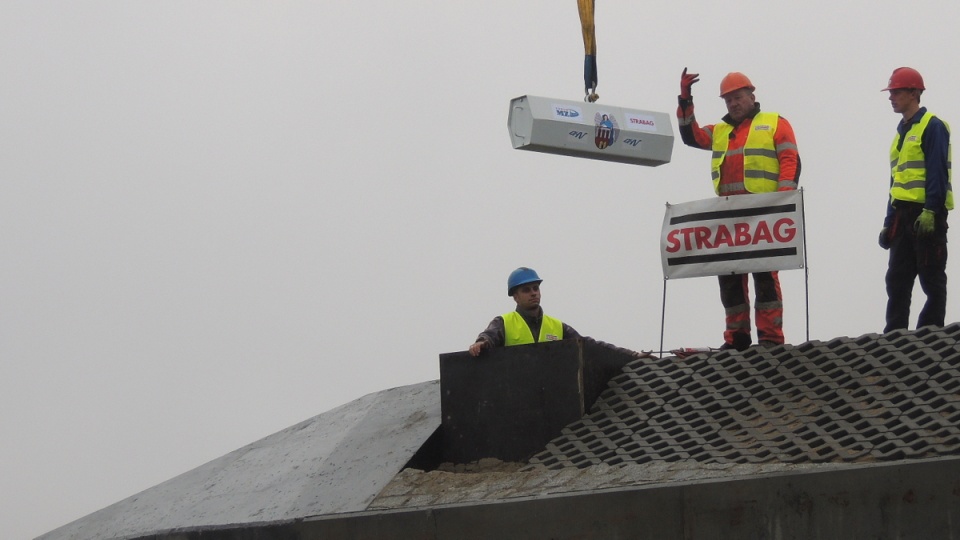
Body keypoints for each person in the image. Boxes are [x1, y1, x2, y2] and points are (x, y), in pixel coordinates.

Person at [675, 69, 801, 351]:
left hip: (762, 214)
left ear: (751, 97)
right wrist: (685, 99)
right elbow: (690, 135)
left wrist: (782, 201)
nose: (733, 103)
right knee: (729, 276)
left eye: (737, 97)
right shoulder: (720, 131)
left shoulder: (774, 123)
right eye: (728, 100)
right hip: (729, 217)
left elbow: (790, 159)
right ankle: (737, 338)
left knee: (765, 276)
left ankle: (770, 338)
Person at [878, 67, 952, 332]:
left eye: (896, 92)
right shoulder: (901, 134)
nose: (891, 97)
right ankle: (895, 335)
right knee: (897, 279)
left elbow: (937, 172)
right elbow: (896, 183)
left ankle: (931, 334)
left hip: (925, 213)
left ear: (913, 93)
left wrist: (932, 210)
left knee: (931, 275)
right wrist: (889, 221)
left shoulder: (932, 126)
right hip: (902, 215)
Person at [468, 267, 653, 358]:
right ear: (515, 297)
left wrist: (633, 355)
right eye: (526, 290)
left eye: (535, 288)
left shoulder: (557, 326)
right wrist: (481, 344)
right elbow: (489, 337)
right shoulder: (504, 322)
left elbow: (589, 345)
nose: (533, 293)